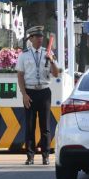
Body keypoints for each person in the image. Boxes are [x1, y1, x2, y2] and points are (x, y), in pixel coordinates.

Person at [16, 26, 59, 165]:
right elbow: (20, 75)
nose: (40, 39)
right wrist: (24, 94)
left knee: (45, 125)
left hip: (44, 92)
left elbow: (56, 73)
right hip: (30, 91)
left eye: (41, 37)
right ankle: (30, 156)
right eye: (37, 37)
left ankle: (45, 155)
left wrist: (51, 60)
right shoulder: (24, 55)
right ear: (31, 39)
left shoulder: (48, 53)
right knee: (30, 125)